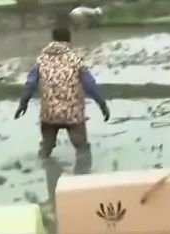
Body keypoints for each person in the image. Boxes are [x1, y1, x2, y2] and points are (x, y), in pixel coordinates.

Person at [15, 27, 110, 159]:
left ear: (53, 39)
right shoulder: (75, 60)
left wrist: (23, 103)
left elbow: (30, 83)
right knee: (82, 150)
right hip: (73, 114)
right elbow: (90, 85)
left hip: (49, 114)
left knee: (46, 148)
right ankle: (83, 170)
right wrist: (102, 105)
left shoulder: (42, 60)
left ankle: (44, 167)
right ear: (69, 40)